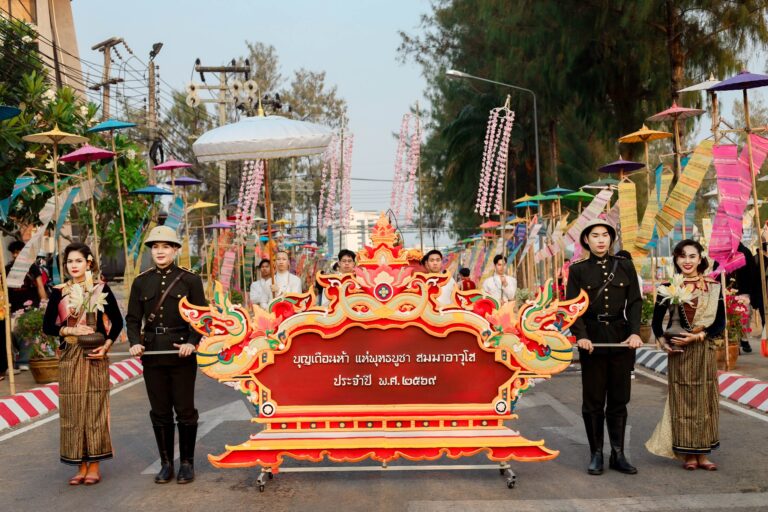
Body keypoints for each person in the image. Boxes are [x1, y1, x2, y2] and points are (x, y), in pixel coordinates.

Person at [126, 226, 207, 484]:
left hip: (181, 353)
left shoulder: (190, 280)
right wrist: (133, 343)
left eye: (165, 247)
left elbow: (202, 318)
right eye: (155, 247)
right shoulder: (141, 281)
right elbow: (132, 319)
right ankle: (165, 464)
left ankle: (186, 464)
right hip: (152, 354)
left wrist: (192, 343)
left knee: (184, 410)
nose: (160, 251)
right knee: (159, 411)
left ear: (175, 250)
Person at [565, 218, 643, 476]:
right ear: (586, 240)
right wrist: (581, 336)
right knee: (594, 400)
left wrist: (634, 333)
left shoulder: (625, 266)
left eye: (605, 235)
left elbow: (634, 303)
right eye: (595, 235)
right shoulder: (577, 270)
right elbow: (572, 308)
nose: (600, 239)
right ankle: (596, 454)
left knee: (620, 399)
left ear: (611, 239)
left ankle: (618, 455)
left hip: (620, 338)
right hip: (593, 340)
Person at [42, 242, 123, 485]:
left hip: (94, 355)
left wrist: (106, 346)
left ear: (89, 262)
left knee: (94, 410)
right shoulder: (59, 291)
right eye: (69, 262)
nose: (73, 266)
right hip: (69, 356)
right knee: (72, 411)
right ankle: (80, 465)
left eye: (78, 261)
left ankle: (95, 465)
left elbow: (117, 323)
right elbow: (48, 327)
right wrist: (72, 328)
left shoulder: (100, 288)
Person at [647, 240, 725, 470]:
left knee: (705, 400)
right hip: (679, 353)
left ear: (700, 259)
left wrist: (697, 337)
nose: (687, 261)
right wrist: (663, 343)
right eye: (682, 256)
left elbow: (720, 322)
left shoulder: (712, 287)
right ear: (676, 259)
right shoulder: (668, 286)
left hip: (703, 349)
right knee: (682, 402)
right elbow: (656, 322)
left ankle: (703, 454)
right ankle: (689, 455)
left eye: (692, 256)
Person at [7, 240, 48, 370]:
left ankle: (24, 361)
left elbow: (40, 286)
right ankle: (19, 358)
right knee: (13, 333)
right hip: (13, 308)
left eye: (17, 252)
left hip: (31, 307)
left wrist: (44, 304)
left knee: (26, 331)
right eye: (13, 252)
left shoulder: (32, 268)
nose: (15, 255)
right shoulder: (7, 269)